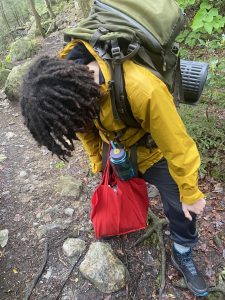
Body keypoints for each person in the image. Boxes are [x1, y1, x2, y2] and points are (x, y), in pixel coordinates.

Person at [20, 40, 208, 297]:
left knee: (181, 208)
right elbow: (85, 128)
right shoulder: (74, 90)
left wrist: (190, 192)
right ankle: (135, 211)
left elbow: (178, 145)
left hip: (155, 153)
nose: (73, 126)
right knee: (123, 187)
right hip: (117, 149)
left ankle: (183, 253)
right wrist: (98, 160)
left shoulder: (141, 88)